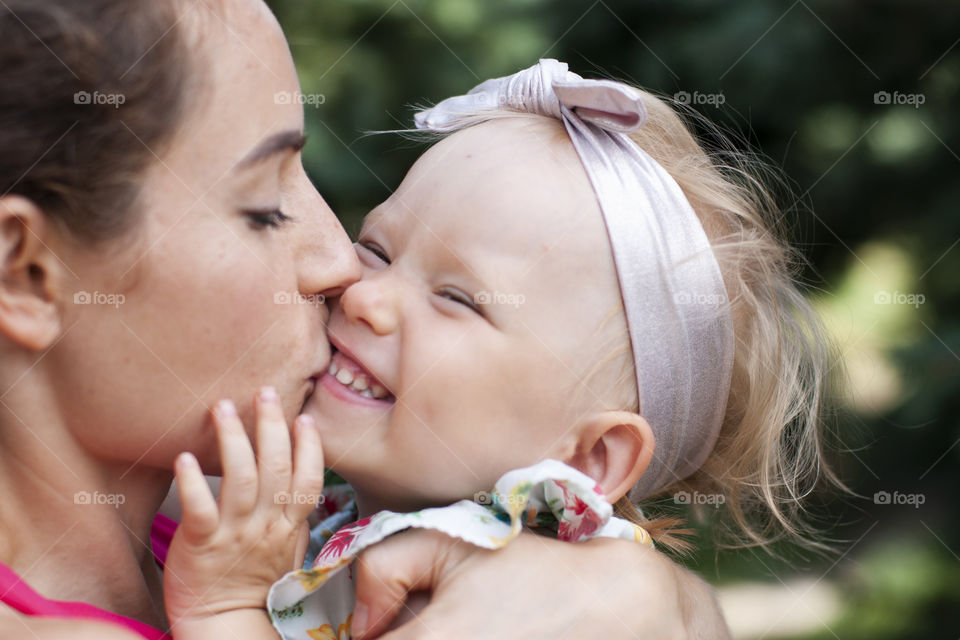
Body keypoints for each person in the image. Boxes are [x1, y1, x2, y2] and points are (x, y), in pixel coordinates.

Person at [0, 2, 730, 639]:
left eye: (459, 299)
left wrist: (665, 597)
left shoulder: (243, 543)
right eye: (263, 208)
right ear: (25, 274)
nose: (345, 272)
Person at [210, 59, 835, 639]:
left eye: (458, 299)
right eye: (376, 250)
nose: (366, 298)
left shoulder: (503, 595)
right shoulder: (331, 512)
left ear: (588, 459)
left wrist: (228, 606)